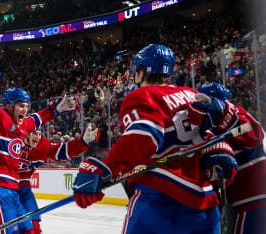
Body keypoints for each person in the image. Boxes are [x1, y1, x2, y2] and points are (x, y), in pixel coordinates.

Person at [72, 44, 238, 233]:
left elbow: (143, 137)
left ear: (142, 72)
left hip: (161, 201)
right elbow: (210, 135)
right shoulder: (192, 94)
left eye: (136, 71)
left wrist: (106, 168)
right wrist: (220, 147)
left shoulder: (141, 95)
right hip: (206, 206)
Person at [0, 66, 76, 233]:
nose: (25, 110)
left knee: (28, 231)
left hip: (12, 191)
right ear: (8, 106)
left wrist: (56, 108)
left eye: (26, 106)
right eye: (21, 106)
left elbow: (39, 118)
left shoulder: (22, 125)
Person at [191, 82, 266, 233]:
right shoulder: (206, 132)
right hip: (236, 204)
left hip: (252, 201)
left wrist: (224, 115)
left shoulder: (238, 115)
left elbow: (255, 134)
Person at [18, 126, 99, 233]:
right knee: (17, 228)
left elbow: (62, 150)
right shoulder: (13, 140)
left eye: (39, 134)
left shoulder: (43, 145)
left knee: (35, 228)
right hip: (7, 187)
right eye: (35, 134)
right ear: (26, 134)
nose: (37, 137)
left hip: (25, 189)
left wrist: (83, 142)